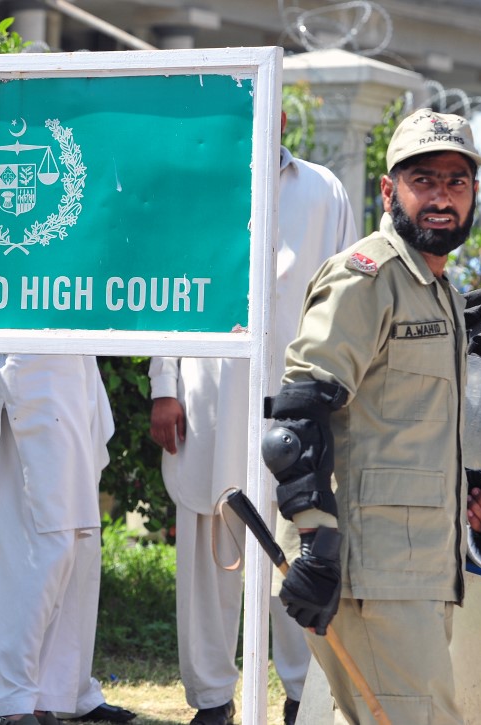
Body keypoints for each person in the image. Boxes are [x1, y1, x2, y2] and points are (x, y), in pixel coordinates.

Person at [263, 108, 481, 724]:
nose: (442, 198)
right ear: (388, 189)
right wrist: (316, 540)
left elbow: (401, 423)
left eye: (456, 182)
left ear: (474, 192)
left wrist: (458, 484)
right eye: (423, 180)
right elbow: (298, 419)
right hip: (366, 571)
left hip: (416, 569)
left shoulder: (438, 290)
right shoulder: (366, 278)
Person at [148, 112, 357, 725]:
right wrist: (163, 384)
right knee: (207, 542)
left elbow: (349, 293)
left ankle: (299, 694)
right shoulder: (195, 183)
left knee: (299, 540)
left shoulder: (323, 188)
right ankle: (211, 700)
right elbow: (167, 284)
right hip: (209, 393)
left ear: (283, 113)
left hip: (297, 396)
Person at [0, 353, 134, 725]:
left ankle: (39, 694)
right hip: (9, 381)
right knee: (15, 551)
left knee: (65, 545)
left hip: (66, 378)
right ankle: (7, 703)